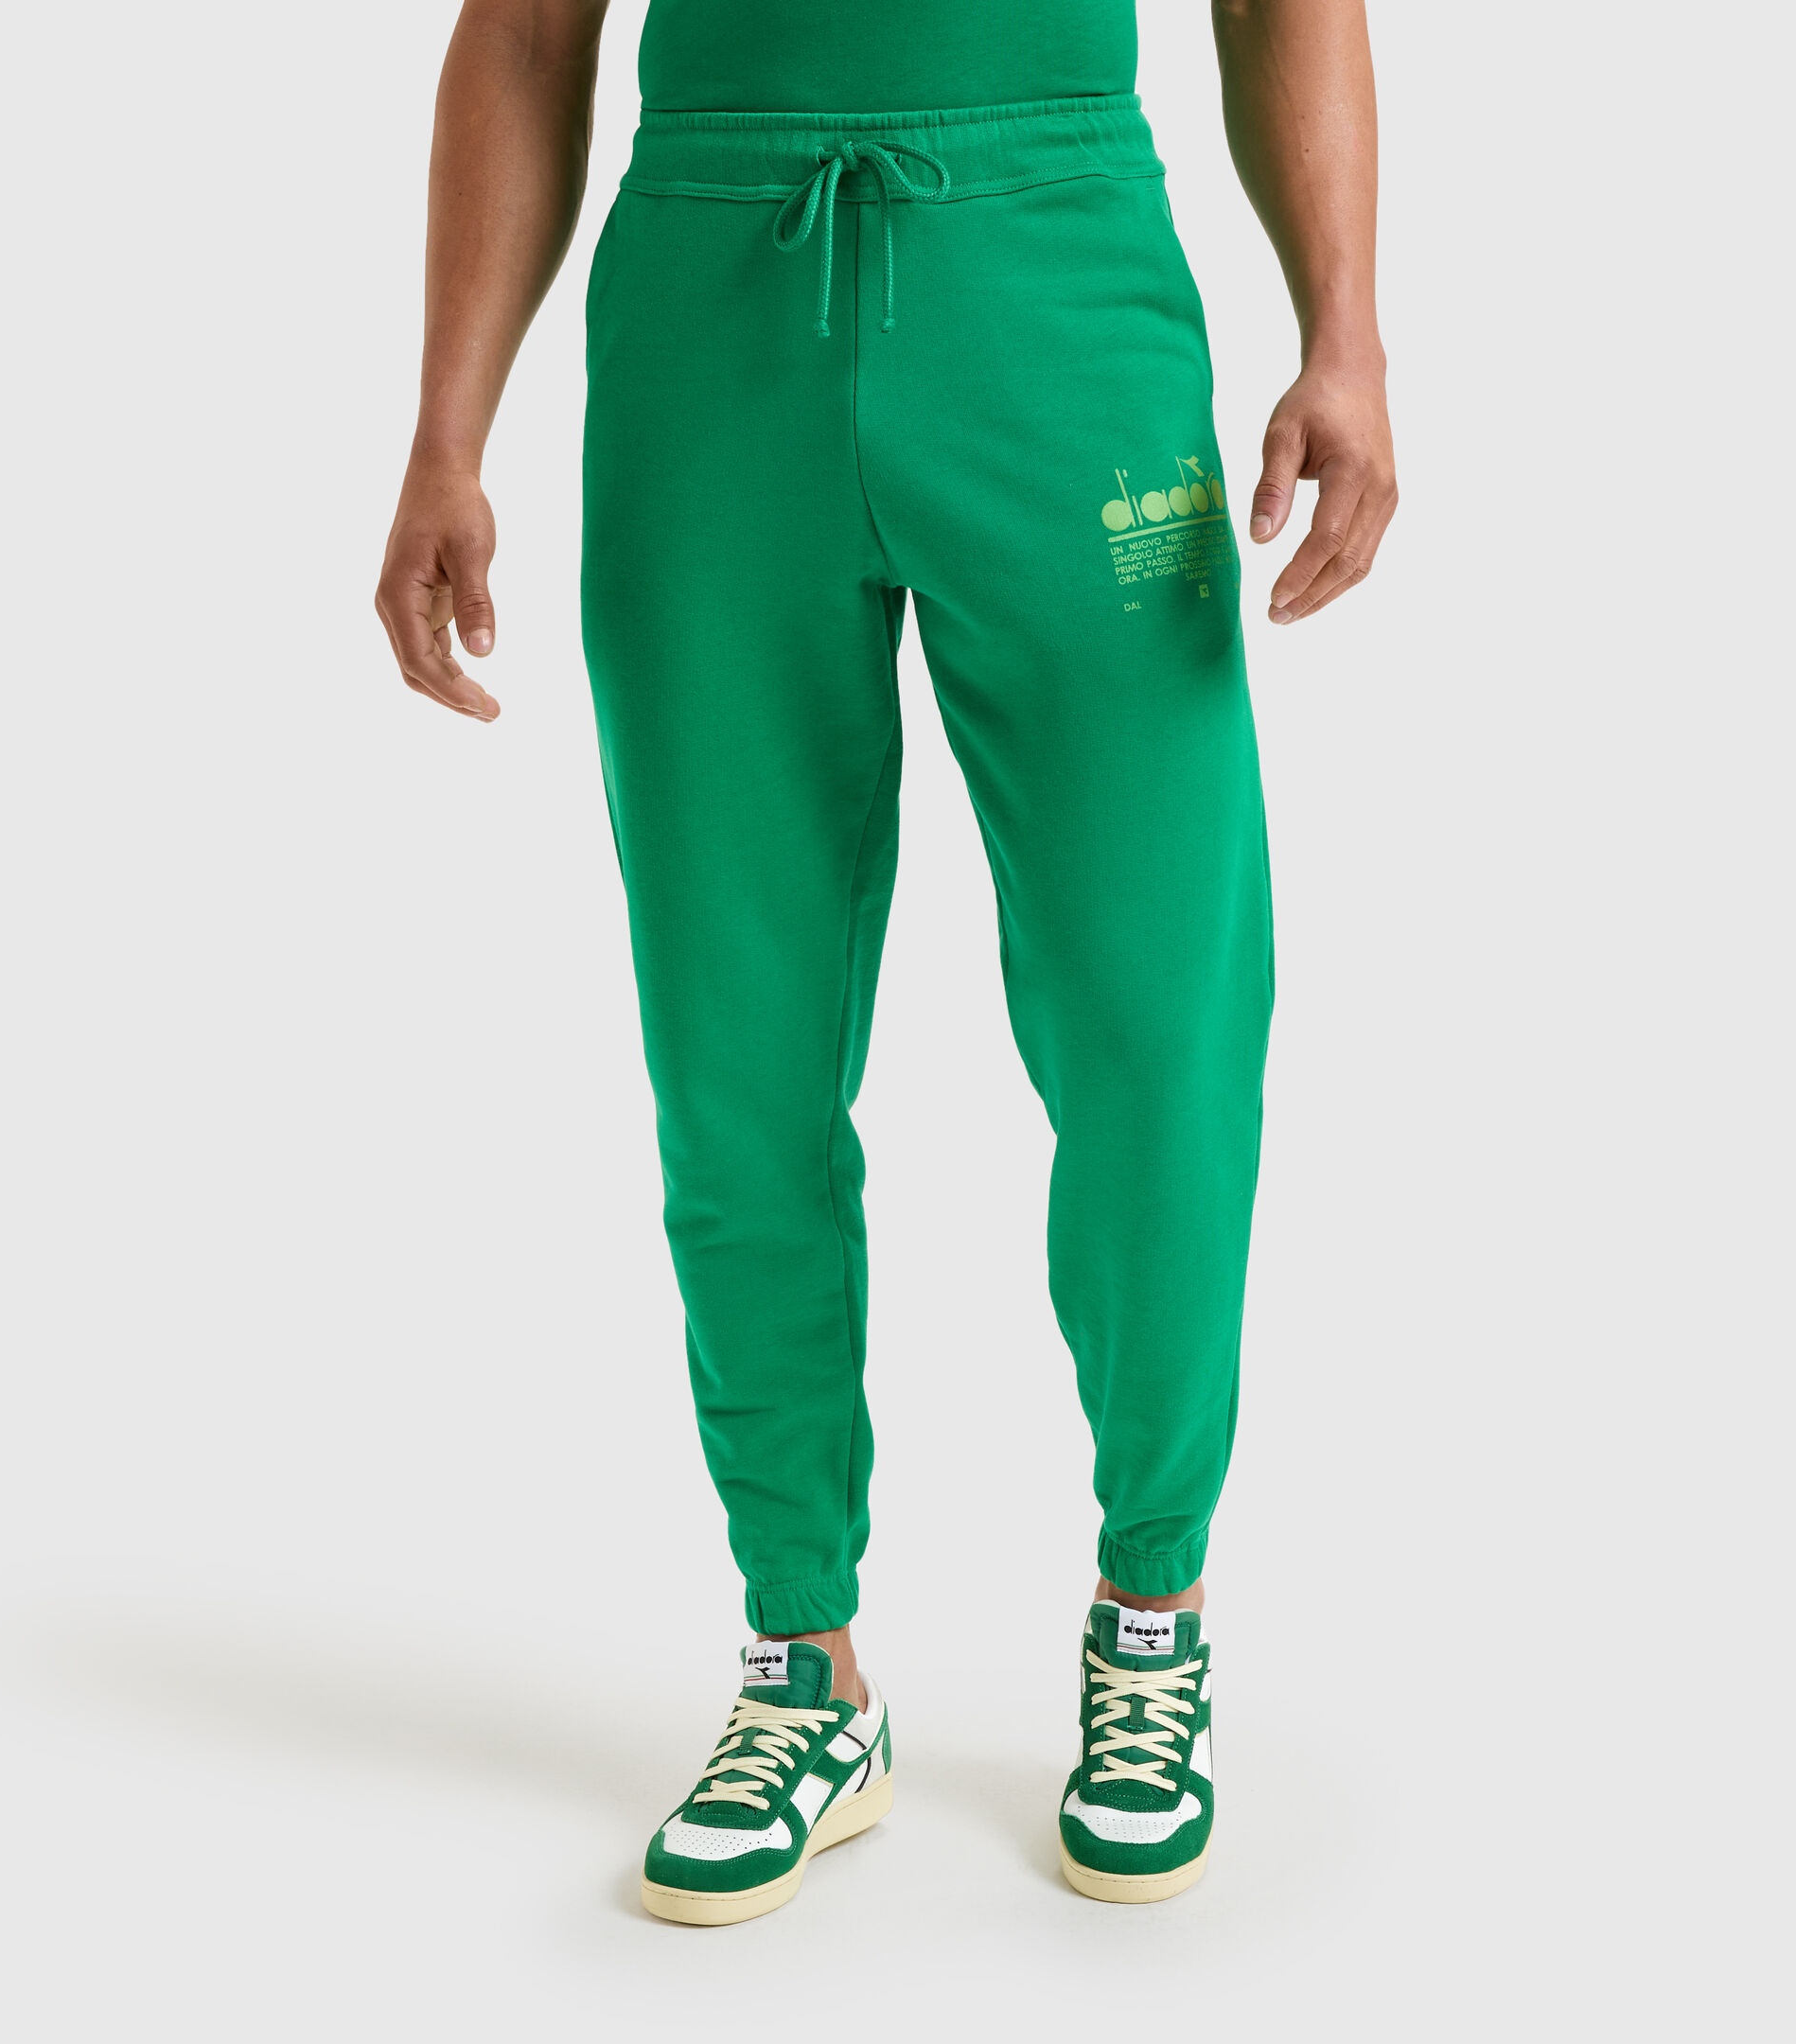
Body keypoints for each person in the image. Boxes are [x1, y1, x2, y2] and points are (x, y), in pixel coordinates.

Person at [376, 0, 1396, 1923]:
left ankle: (1154, 1610)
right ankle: (803, 1666)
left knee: (1159, 1018)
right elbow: (521, 35)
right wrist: (446, 433)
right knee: (734, 1043)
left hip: (1060, 292)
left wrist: (1342, 327)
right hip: (712, 312)